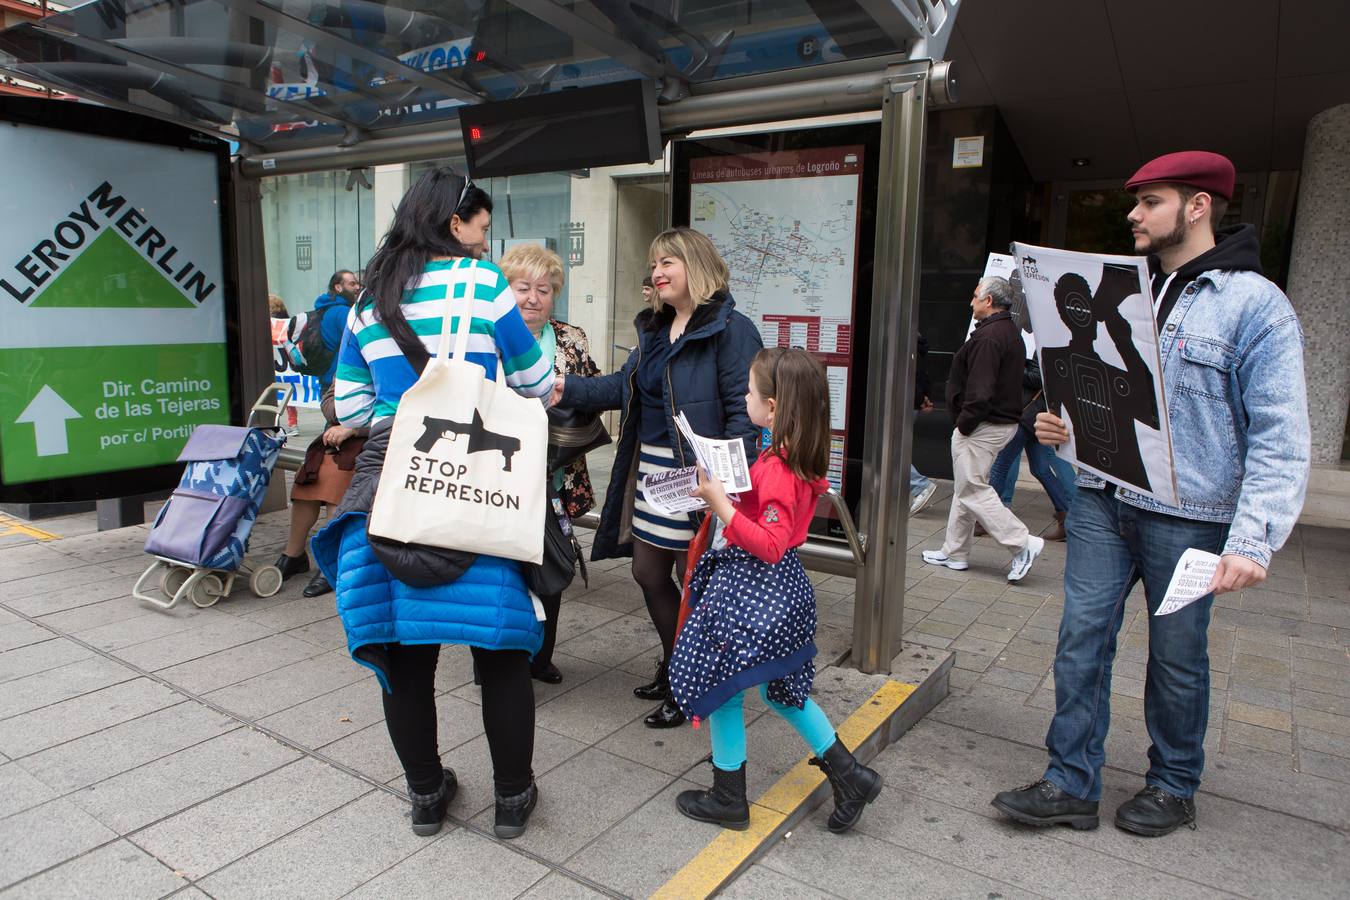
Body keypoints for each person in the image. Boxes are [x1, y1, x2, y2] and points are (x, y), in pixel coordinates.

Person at [992, 151, 1309, 837]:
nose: (1133, 213)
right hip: (1103, 501)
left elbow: (1281, 433)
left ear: (1199, 206)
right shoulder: (1119, 292)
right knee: (1080, 640)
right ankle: (1070, 781)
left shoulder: (1256, 306)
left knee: (1176, 655)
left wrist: (1254, 540)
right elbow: (1104, 396)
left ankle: (1172, 785)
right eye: (1134, 200)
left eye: (1151, 201)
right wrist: (1061, 427)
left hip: (1190, 519)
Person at [310, 167, 554, 840]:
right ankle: (511, 800)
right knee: (499, 649)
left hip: (390, 484)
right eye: (480, 223)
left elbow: (354, 407)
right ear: (455, 223)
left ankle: (425, 794)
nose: (485, 235)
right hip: (478, 484)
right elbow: (534, 380)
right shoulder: (483, 286)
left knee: (402, 651)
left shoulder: (369, 299)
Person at [552, 227, 762, 729]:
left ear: (697, 264)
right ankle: (677, 667)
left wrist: (726, 487)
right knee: (648, 572)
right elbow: (621, 388)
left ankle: (691, 680)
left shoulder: (732, 329)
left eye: (668, 261)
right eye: (654, 263)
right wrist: (566, 387)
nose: (657, 272)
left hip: (701, 478)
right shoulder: (655, 328)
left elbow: (743, 413)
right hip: (652, 473)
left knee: (694, 583)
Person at [669, 348, 882, 833]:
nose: (744, 396)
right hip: (778, 593)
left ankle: (729, 798)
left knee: (723, 689)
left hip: (753, 592)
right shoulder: (787, 457)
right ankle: (851, 776)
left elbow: (768, 544)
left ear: (773, 407)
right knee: (784, 693)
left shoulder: (778, 469)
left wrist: (722, 505)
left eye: (749, 390)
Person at [498, 242, 602, 685]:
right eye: (523, 288)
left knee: (553, 562)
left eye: (543, 289)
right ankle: (498, 661)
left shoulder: (570, 337)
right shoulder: (489, 334)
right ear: (507, 291)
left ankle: (541, 658)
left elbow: (595, 389)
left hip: (556, 476)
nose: (534, 299)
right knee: (502, 569)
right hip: (499, 474)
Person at [921, 276, 1044, 582]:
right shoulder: (1004, 332)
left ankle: (1023, 544)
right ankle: (955, 552)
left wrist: (964, 424)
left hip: (983, 425)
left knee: (973, 488)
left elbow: (981, 390)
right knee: (967, 486)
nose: (971, 302)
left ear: (988, 301)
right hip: (993, 423)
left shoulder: (991, 337)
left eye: (975, 296)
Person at [275, 268, 362, 589]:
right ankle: (293, 554)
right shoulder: (351, 330)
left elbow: (393, 405)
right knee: (305, 485)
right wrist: (343, 415)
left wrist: (352, 425)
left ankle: (332, 562)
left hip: (371, 436)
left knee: (333, 485)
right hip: (341, 429)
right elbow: (331, 397)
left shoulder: (380, 339)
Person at [984, 357, 1075, 541]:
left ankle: (985, 519)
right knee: (1040, 469)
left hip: (1027, 417)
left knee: (1000, 466)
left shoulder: (1039, 346)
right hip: (1033, 416)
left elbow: (1037, 378)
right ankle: (1067, 518)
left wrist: (1010, 369)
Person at [909, 331, 938, 515]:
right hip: (910, 405)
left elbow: (911, 378)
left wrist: (920, 399)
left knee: (890, 453)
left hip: (901, 406)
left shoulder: (906, 345)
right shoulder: (918, 347)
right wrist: (924, 398)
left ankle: (920, 486)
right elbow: (923, 376)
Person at [268, 293, 300, 435]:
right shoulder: (288, 324)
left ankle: (279, 425)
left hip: (278, 365)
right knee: (289, 396)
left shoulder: (273, 325)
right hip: (286, 366)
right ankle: (293, 425)